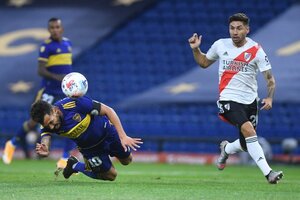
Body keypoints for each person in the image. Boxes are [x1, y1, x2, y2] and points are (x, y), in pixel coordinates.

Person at [188, 13, 283, 184]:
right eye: (232, 28)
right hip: (228, 99)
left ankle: (226, 148)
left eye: (239, 28)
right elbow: (203, 63)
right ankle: (269, 173)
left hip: (250, 101)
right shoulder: (220, 44)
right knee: (249, 130)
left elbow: (270, 79)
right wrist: (196, 49)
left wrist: (269, 98)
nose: (235, 32)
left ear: (247, 29)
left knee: (246, 143)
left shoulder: (256, 50)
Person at [2, 18, 76, 170]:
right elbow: (40, 70)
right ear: (49, 30)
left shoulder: (67, 43)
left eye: (57, 27)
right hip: (48, 91)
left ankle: (64, 158)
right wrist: (59, 78)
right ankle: (12, 143)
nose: (55, 30)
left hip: (64, 91)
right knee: (34, 121)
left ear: (61, 29)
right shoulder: (46, 46)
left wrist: (68, 80)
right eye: (52, 28)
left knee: (70, 120)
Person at [31, 96, 142, 181]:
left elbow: (109, 111)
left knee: (127, 160)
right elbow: (45, 136)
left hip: (108, 134)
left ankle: (75, 164)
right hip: (90, 149)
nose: (51, 127)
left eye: (51, 122)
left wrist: (123, 136)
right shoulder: (48, 124)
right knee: (111, 176)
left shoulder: (75, 104)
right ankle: (75, 165)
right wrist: (45, 147)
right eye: (47, 125)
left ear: (54, 110)